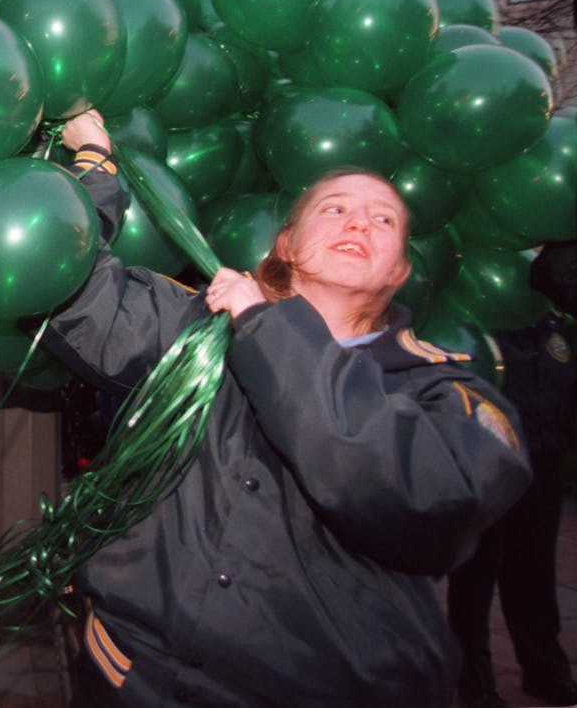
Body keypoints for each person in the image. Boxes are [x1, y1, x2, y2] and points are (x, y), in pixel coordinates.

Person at [45, 109, 531, 708]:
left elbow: (418, 493)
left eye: (384, 219)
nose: (359, 221)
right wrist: (96, 166)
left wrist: (262, 326)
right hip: (139, 679)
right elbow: (63, 287)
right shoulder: (197, 329)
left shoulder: (447, 392)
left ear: (399, 270)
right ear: (286, 246)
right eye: (334, 209)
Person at [447, 307, 577, 708]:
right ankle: (474, 681)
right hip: (488, 462)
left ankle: (545, 672)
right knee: (476, 573)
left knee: (534, 570)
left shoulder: (552, 320)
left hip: (543, 458)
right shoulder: (475, 315)